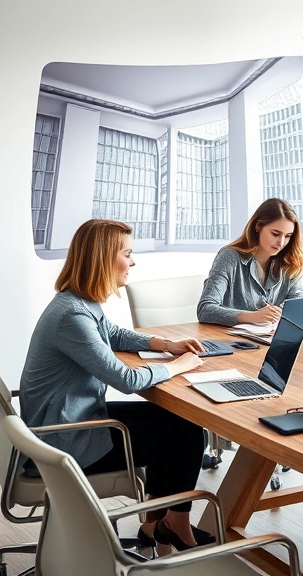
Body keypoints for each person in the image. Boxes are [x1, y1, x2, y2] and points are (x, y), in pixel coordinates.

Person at [20, 219, 211, 554]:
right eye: (128, 253)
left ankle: (157, 525)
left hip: (71, 418)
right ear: (102, 259)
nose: (133, 261)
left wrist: (165, 343)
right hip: (67, 438)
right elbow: (127, 380)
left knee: (181, 423)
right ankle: (170, 524)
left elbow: (115, 334)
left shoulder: (77, 302)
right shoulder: (72, 317)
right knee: (184, 435)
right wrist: (177, 365)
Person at [198, 198, 303, 326]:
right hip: (231, 341)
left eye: (287, 236)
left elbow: (299, 302)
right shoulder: (230, 257)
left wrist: (279, 313)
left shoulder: (289, 262)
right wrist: (252, 317)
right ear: (258, 226)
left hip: (270, 338)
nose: (281, 242)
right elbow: (205, 309)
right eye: (275, 234)